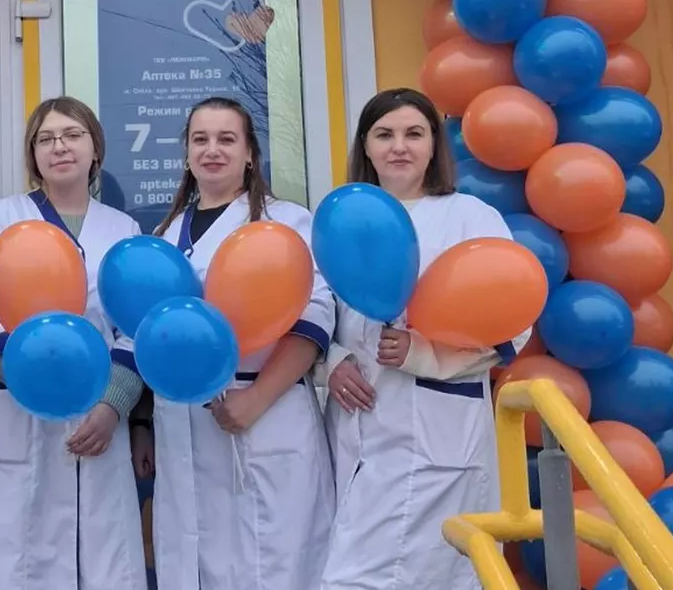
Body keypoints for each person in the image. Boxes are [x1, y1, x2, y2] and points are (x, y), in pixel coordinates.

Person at [320, 87, 530, 590]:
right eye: (384, 134)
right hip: (357, 430)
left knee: (400, 575)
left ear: (434, 144)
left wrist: (425, 354)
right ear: (365, 146)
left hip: (439, 434)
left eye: (414, 134)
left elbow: (513, 322)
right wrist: (332, 360)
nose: (399, 147)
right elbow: (316, 307)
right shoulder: (344, 220)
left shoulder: (470, 217)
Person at [132, 96, 336, 590]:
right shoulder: (165, 234)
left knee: (273, 563)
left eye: (227, 139)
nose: (212, 150)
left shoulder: (284, 224)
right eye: (200, 140)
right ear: (186, 154)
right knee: (193, 563)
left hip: (266, 412)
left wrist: (257, 398)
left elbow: (315, 317)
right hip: (182, 419)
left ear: (249, 154)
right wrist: (142, 420)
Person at [0, 97, 147, 590]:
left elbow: (135, 325)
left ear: (95, 149)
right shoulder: (5, 217)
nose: (60, 147)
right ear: (33, 155)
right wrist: (21, 373)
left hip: (95, 412)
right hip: (12, 407)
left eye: (73, 135)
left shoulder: (123, 229)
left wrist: (113, 404)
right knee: (5, 557)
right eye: (46, 139)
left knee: (101, 559)